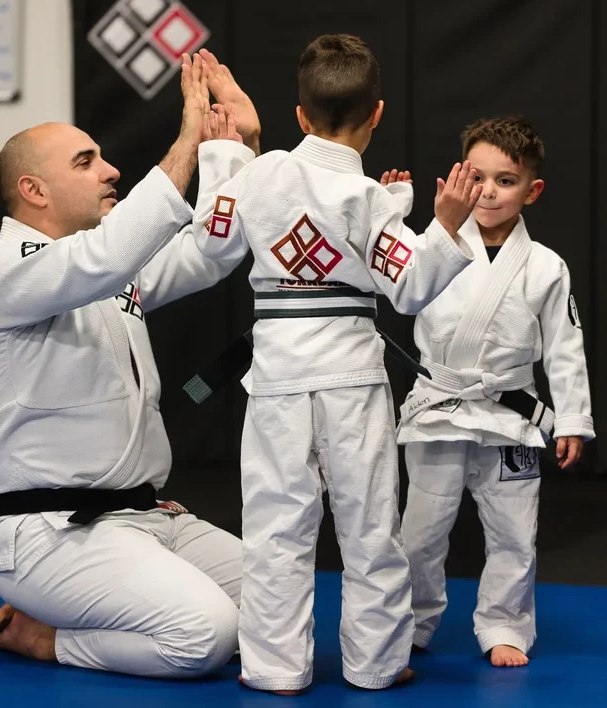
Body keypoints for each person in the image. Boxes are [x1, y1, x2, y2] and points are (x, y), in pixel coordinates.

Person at [0, 51, 263, 679]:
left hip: (144, 516)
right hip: (49, 534)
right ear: (33, 190)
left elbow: (213, 249)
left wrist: (237, 148)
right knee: (204, 635)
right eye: (85, 161)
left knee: (288, 611)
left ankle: (90, 615)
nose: (110, 170)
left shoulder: (106, 264)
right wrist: (185, 140)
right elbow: (106, 258)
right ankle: (46, 641)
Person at [190, 34, 483, 694]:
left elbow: (211, 241)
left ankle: (274, 667)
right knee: (370, 526)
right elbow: (408, 287)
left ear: (299, 116)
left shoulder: (260, 177)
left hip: (278, 380)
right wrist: (447, 225)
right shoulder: (371, 201)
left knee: (275, 527)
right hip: (352, 379)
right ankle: (377, 663)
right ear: (377, 114)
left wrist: (223, 151)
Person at [396, 117, 594, 668]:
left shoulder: (547, 266)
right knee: (420, 532)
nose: (487, 191)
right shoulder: (431, 246)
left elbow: (564, 346)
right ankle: (413, 620)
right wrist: (395, 213)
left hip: (510, 415)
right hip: (439, 409)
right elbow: (401, 298)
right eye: (477, 177)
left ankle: (505, 622)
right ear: (459, 177)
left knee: (513, 532)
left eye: (505, 181)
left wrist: (573, 420)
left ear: (533, 190)